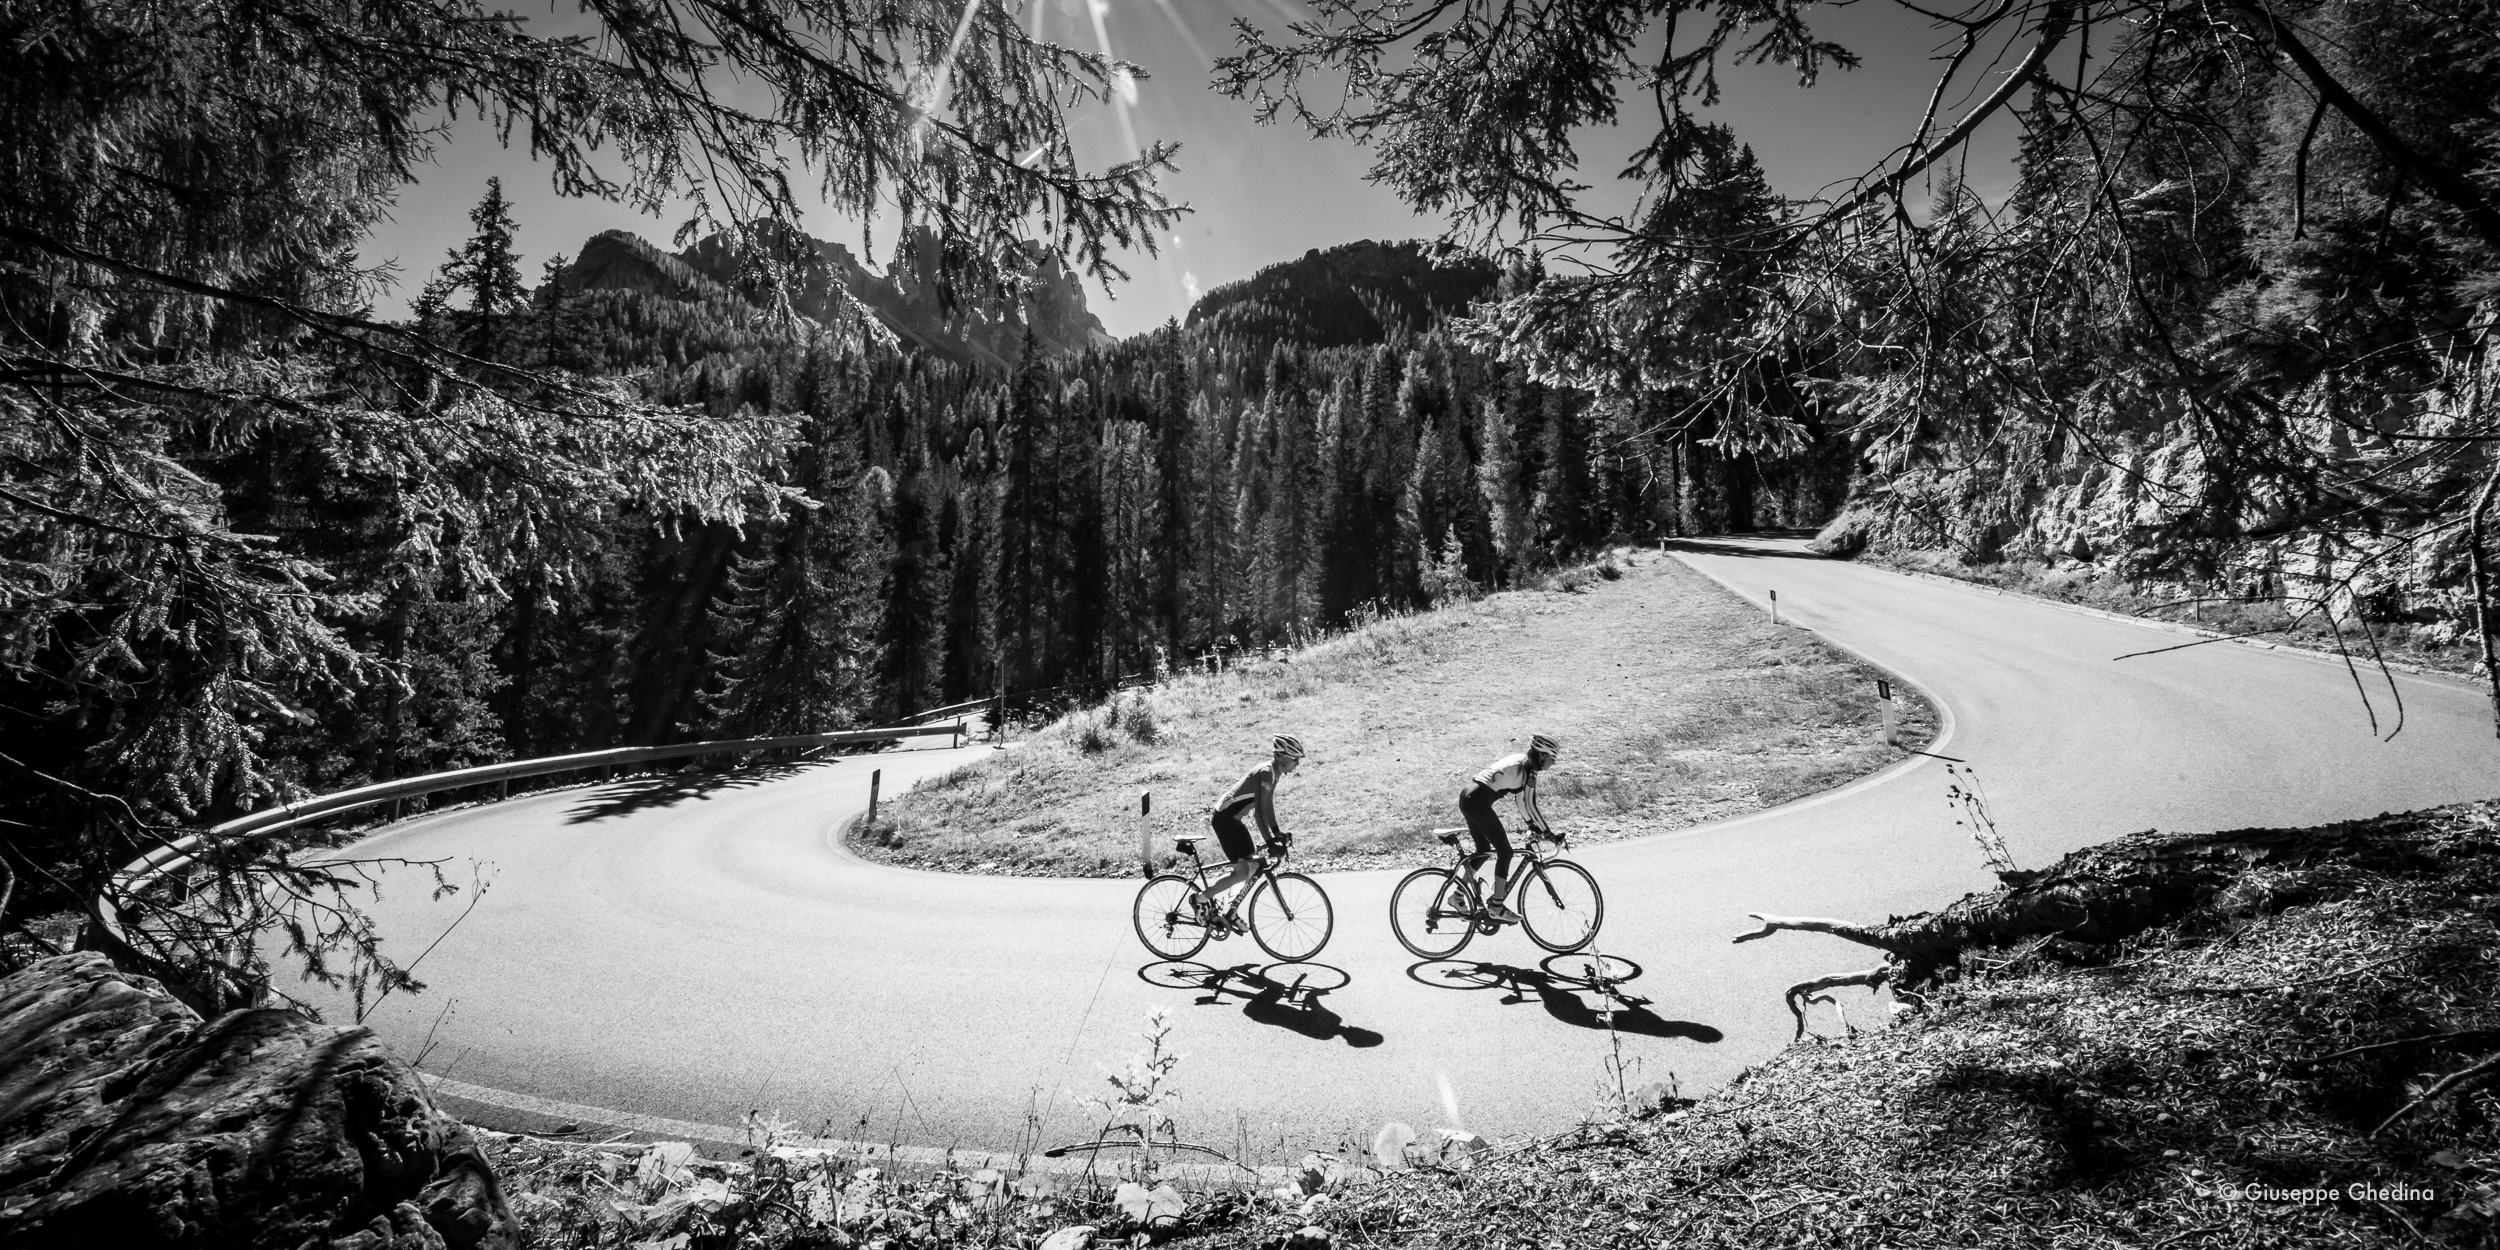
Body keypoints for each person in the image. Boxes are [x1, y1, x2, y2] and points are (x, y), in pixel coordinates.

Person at [1198, 734, 1303, 934]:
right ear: (1283, 758)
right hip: (1224, 820)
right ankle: (1200, 899)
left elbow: (1267, 806)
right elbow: (1259, 813)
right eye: (1295, 759)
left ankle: (1231, 910)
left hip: (1235, 821)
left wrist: (1277, 832)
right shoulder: (1265, 772)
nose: (1297, 764)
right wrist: (1270, 841)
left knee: (1253, 866)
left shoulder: (1274, 773)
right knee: (1242, 872)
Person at [1459, 734, 1558, 923]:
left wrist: (1533, 826)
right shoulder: (1526, 769)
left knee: (1484, 851)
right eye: (1552, 759)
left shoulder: (1525, 765)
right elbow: (1531, 805)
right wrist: (1548, 833)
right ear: (1543, 755)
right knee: (1505, 852)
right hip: (1477, 802)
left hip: (1469, 797)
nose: (1552, 764)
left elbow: (1522, 801)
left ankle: (1457, 896)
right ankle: (1496, 906)